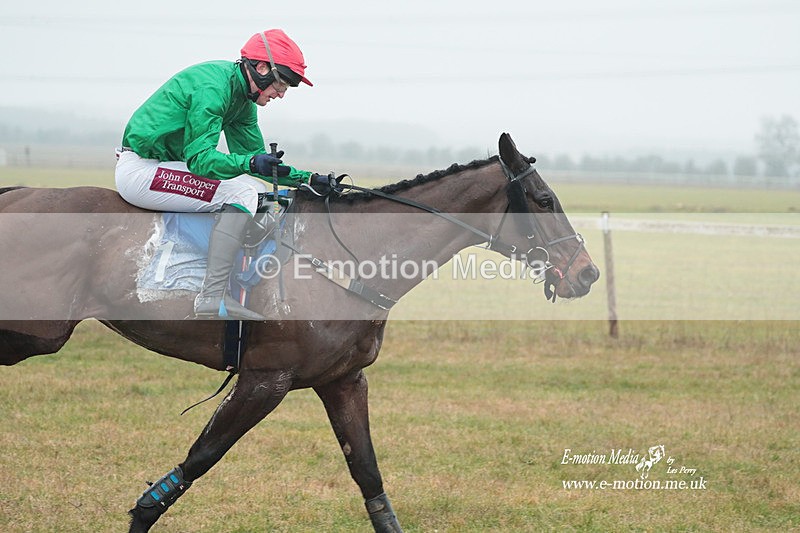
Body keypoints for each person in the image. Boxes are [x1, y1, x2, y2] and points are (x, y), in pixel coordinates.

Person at [116, 29, 333, 321]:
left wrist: (307, 179)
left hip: (164, 167)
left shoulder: (242, 99)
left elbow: (260, 163)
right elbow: (199, 160)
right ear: (261, 68)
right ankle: (212, 296)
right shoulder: (213, 87)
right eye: (282, 84)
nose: (281, 94)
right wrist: (252, 164)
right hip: (142, 170)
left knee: (254, 188)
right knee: (242, 192)